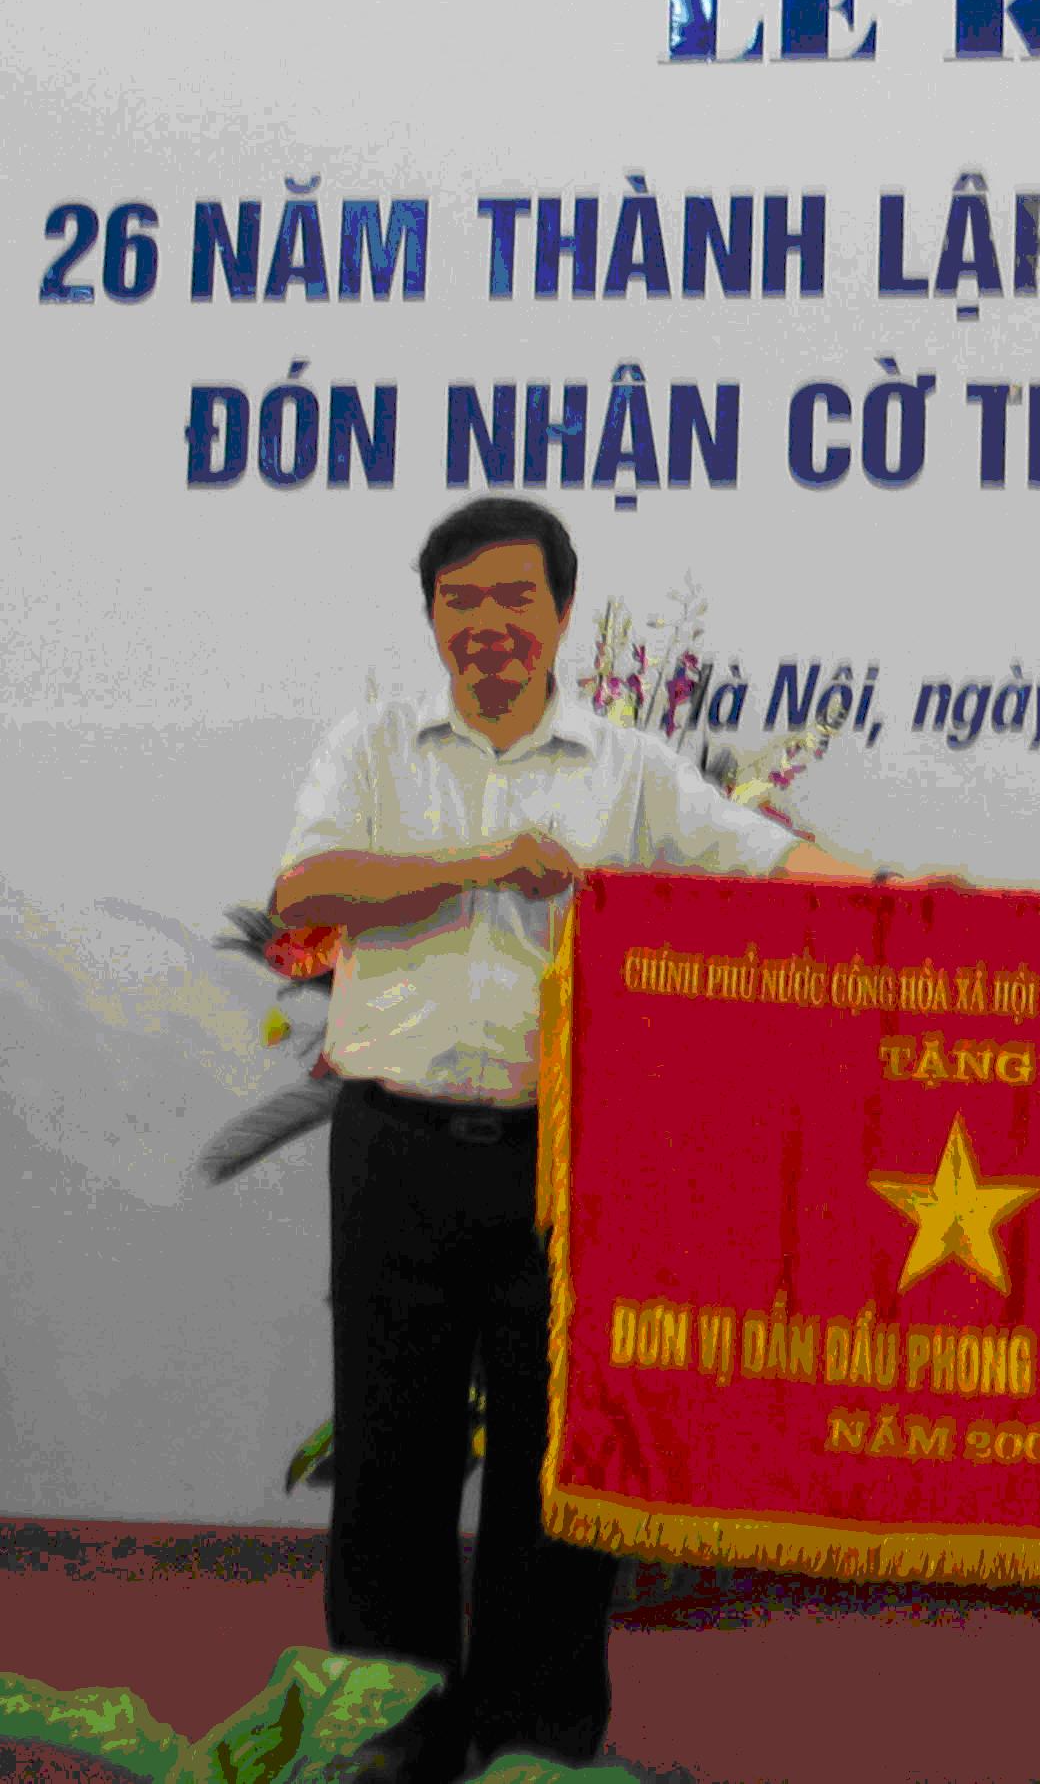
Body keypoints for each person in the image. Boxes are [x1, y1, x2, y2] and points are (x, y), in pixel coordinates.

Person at [271, 498, 892, 1782]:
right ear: (430, 617)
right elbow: (308, 889)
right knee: (392, 1455)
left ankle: (535, 1731)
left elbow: (759, 858)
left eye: (514, 600)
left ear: (559, 613)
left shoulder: (627, 766)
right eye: (461, 603)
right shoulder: (375, 748)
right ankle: (385, 1731)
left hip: (569, 1163)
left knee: (560, 1466)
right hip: (394, 1149)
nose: (488, 628)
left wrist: (889, 898)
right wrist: (480, 861)